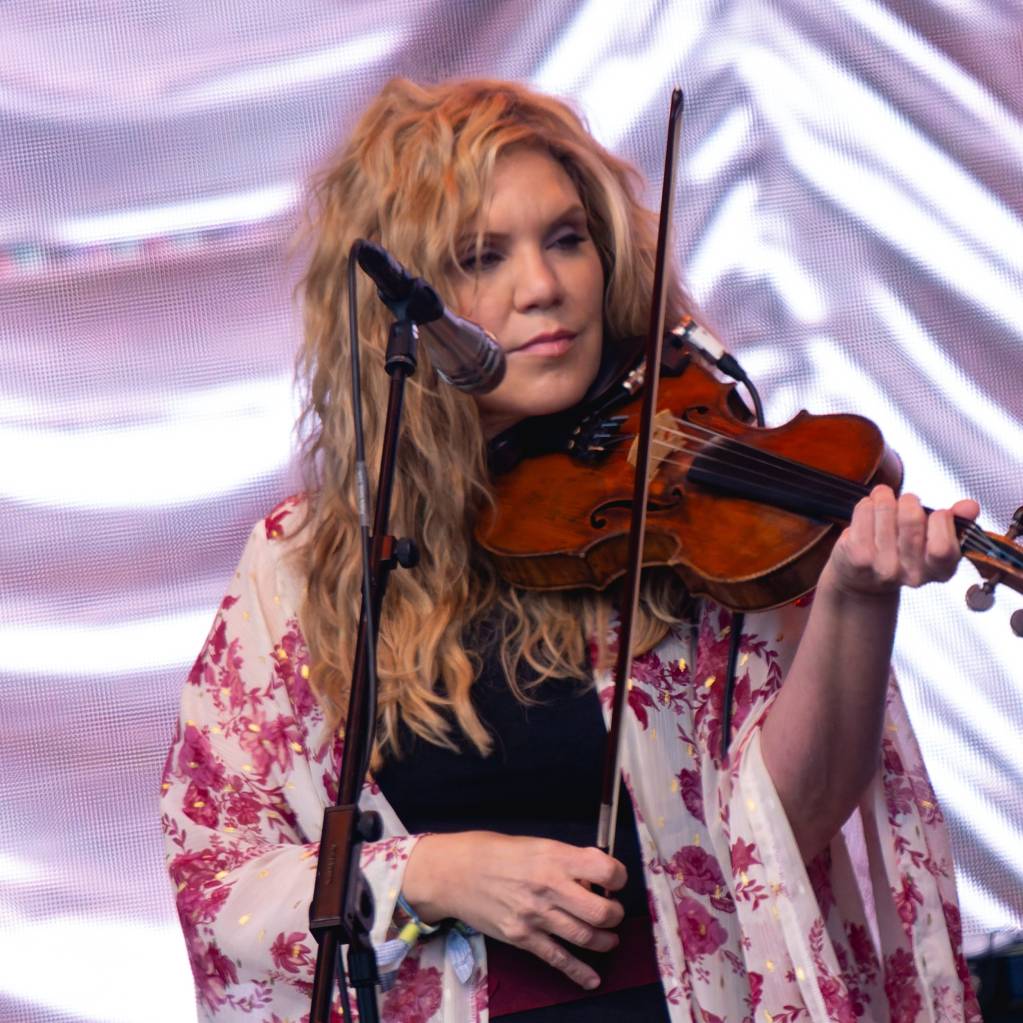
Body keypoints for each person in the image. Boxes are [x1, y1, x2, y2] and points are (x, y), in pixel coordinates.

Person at [161, 77, 983, 1022]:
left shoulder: (692, 512)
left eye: (565, 239)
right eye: (481, 257)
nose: (543, 287)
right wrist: (431, 872)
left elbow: (782, 822)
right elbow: (215, 864)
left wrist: (851, 599)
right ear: (407, 309)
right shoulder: (308, 566)